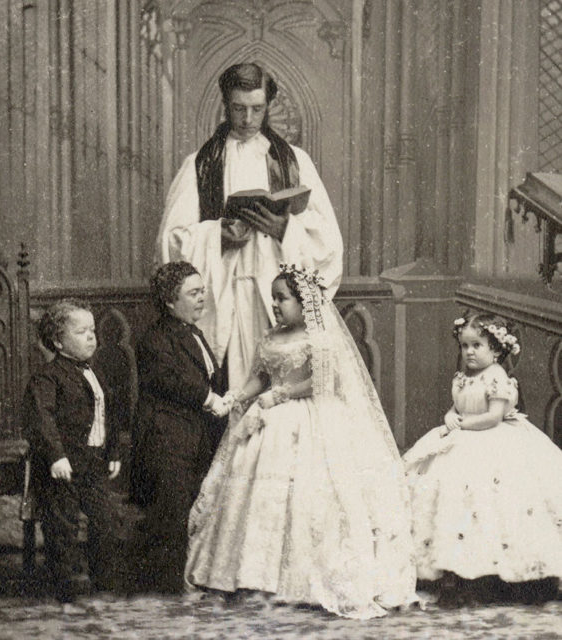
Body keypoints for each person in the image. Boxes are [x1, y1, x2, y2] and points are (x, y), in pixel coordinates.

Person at [185, 264, 417, 619]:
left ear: (304, 301)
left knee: (306, 497)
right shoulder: (271, 337)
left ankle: (297, 583)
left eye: (283, 298)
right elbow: (259, 379)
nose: (276, 305)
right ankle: (246, 579)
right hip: (267, 422)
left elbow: (323, 383)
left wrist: (281, 395)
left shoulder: (319, 338)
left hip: (309, 420)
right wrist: (236, 397)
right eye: (273, 298)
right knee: (255, 498)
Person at [155, 62, 343, 388]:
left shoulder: (295, 161)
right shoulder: (199, 164)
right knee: (232, 392)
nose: (247, 119)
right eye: (239, 109)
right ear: (225, 105)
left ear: (267, 106)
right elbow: (171, 241)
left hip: (274, 299)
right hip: (223, 300)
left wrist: (285, 229)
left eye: (257, 109)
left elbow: (329, 242)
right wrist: (217, 236)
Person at [403, 312, 562, 605]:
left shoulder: (498, 378)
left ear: (497, 350)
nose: (469, 352)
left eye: (477, 345)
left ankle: (500, 574)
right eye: (465, 346)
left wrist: (462, 424)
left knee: (490, 501)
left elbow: (493, 417)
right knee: (449, 496)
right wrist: (451, 417)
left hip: (493, 440)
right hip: (462, 436)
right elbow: (456, 407)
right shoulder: (464, 378)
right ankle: (452, 570)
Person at [130, 261, 227, 594]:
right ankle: (166, 589)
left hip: (190, 435)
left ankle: (183, 581)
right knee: (170, 515)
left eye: (203, 291)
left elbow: (206, 375)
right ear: (170, 301)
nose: (202, 298)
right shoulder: (156, 338)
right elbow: (172, 380)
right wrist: (210, 398)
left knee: (189, 511)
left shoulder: (192, 331)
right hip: (166, 438)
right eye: (194, 293)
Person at [21, 299, 123, 603]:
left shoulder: (95, 372)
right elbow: (41, 419)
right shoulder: (47, 377)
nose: (92, 337)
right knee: (62, 525)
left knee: (104, 520)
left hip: (92, 461)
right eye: (81, 332)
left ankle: (103, 579)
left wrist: (114, 451)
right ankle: (67, 584)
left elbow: (109, 415)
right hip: (63, 465)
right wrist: (56, 456)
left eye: (93, 330)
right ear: (57, 341)